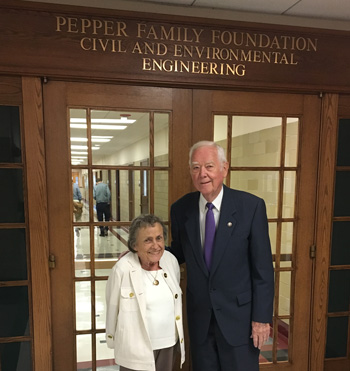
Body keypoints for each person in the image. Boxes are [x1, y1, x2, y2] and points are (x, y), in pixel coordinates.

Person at [169, 141, 274, 371]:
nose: (202, 174)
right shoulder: (181, 209)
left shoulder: (250, 207)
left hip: (241, 322)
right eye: (196, 167)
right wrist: (144, 253)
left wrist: (262, 318)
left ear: (224, 169)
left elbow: (263, 269)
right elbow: (178, 252)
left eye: (209, 166)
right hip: (200, 321)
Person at [105, 214, 185, 371]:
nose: (155, 245)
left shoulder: (170, 261)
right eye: (148, 240)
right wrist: (113, 341)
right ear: (134, 245)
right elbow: (112, 308)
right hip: (135, 349)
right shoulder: (123, 269)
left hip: (168, 344)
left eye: (159, 238)